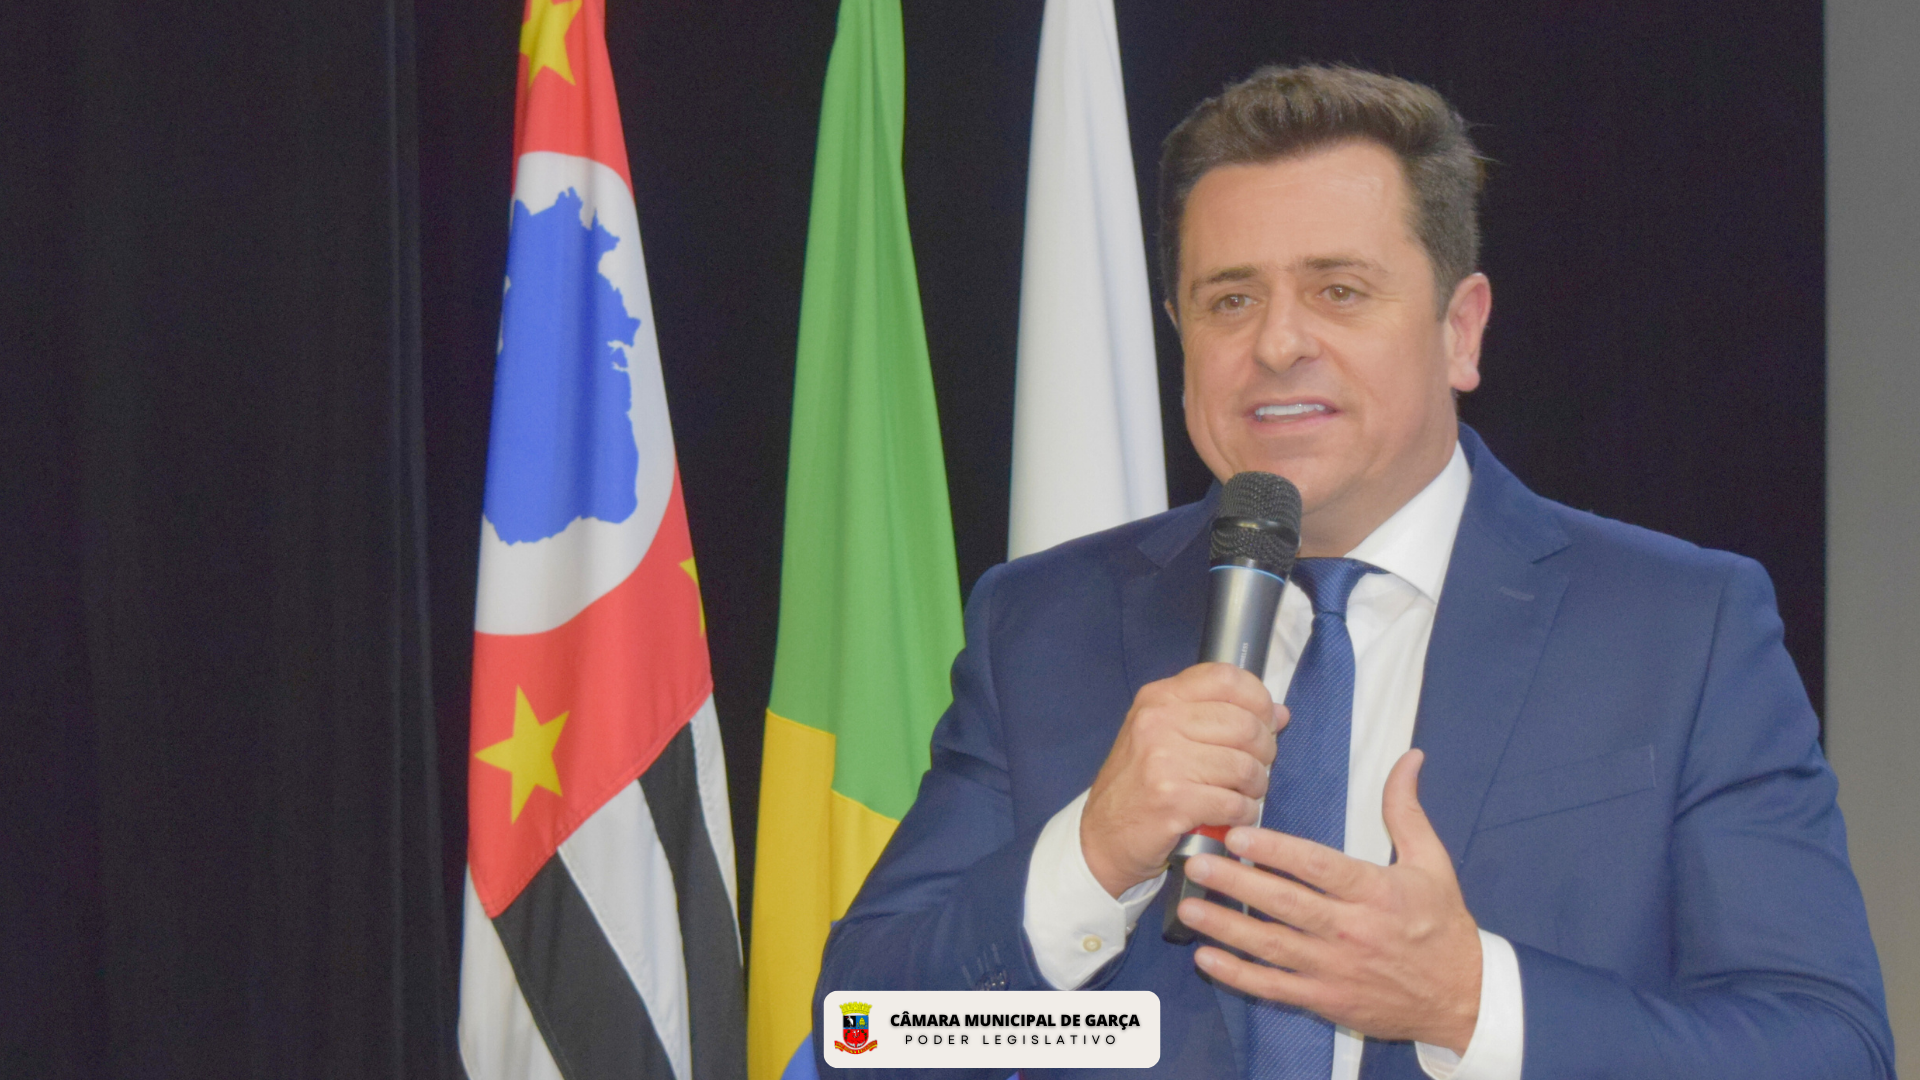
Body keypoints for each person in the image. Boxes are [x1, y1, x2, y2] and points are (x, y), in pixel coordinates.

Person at [812, 65, 1893, 1079]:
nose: (1278, 344)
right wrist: (1087, 862)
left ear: (1460, 330)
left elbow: (1830, 1049)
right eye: (1230, 300)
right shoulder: (1042, 624)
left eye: (1338, 290)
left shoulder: (1679, 628)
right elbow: (866, 1036)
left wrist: (1468, 1002)